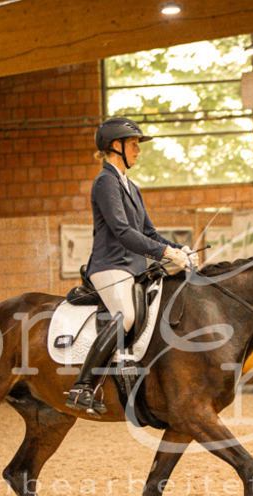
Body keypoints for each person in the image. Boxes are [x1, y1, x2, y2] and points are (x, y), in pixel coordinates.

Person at [66, 117, 199, 415]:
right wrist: (166, 251)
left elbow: (148, 233)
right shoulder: (105, 182)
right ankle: (82, 386)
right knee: (125, 316)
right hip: (110, 265)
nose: (138, 150)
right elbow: (123, 232)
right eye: (134, 144)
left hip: (134, 267)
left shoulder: (131, 186)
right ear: (117, 146)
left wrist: (180, 251)